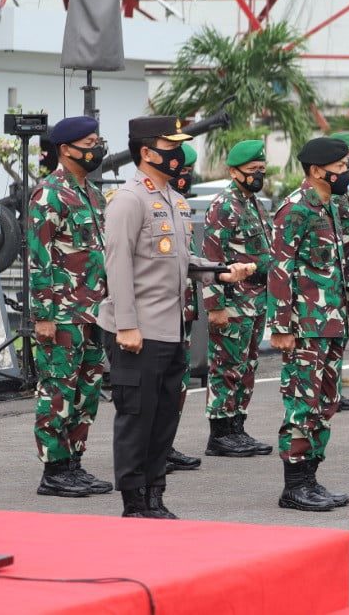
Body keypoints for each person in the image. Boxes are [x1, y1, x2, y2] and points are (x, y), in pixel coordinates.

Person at [96, 116, 251, 519]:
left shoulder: (173, 200)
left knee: (164, 418)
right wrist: (127, 324)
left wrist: (221, 271)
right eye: (170, 146)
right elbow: (118, 266)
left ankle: (155, 496)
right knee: (136, 418)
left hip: (171, 328)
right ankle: (134, 503)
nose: (178, 154)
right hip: (139, 330)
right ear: (146, 152)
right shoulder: (129, 200)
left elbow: (181, 261)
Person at [269, 136, 349, 511]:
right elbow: (280, 270)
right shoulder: (296, 209)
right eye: (341, 168)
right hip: (305, 326)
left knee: (325, 402)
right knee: (302, 404)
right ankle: (295, 485)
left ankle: (312, 478)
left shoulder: (328, 207)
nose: (346, 174)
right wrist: (282, 326)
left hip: (331, 323)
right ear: (318, 171)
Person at [28, 115, 111, 498]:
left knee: (87, 390)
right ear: (66, 149)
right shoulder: (49, 193)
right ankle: (54, 469)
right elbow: (38, 259)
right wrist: (43, 316)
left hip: (94, 311)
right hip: (62, 312)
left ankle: (74, 463)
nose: (97, 148)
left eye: (98, 140)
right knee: (57, 390)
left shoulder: (92, 194)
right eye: (89, 142)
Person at [201, 139, 273, 458]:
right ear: (234, 171)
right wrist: (215, 306)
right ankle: (220, 432)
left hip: (255, 300)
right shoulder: (224, 205)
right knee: (226, 366)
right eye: (252, 170)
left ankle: (237, 427)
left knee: (246, 366)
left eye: (261, 169)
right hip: (232, 303)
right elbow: (211, 259)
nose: (258, 175)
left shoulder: (253, 202)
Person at [166, 144, 204, 474]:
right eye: (184, 171)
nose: (187, 178)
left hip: (183, 308)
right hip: (160, 310)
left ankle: (166, 445)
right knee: (157, 383)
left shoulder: (181, 206)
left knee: (179, 382)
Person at [328, 132, 349, 412]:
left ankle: (334, 389)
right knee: (330, 335)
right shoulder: (329, 192)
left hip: (346, 272)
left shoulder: (347, 187)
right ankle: (330, 391)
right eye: (347, 154)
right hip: (330, 278)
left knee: (342, 332)